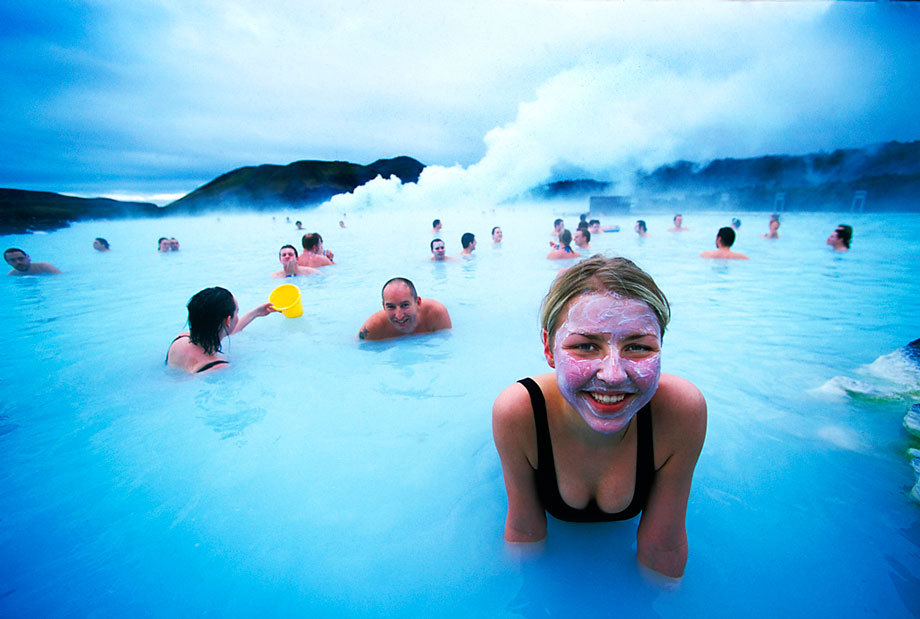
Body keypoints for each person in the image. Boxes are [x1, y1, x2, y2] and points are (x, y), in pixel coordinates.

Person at [492, 255, 706, 578]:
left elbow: (663, 547)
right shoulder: (519, 413)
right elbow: (525, 533)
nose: (613, 375)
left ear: (661, 347)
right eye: (586, 346)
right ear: (549, 349)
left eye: (638, 347)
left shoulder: (680, 412)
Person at [166, 287, 277, 373]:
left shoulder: (181, 339)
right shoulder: (218, 367)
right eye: (237, 312)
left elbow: (227, 330)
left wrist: (256, 313)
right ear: (228, 321)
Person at [358, 277, 452, 340]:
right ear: (384, 307)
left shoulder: (436, 313)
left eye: (405, 305)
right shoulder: (374, 327)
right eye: (391, 307)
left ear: (418, 302)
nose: (399, 316)